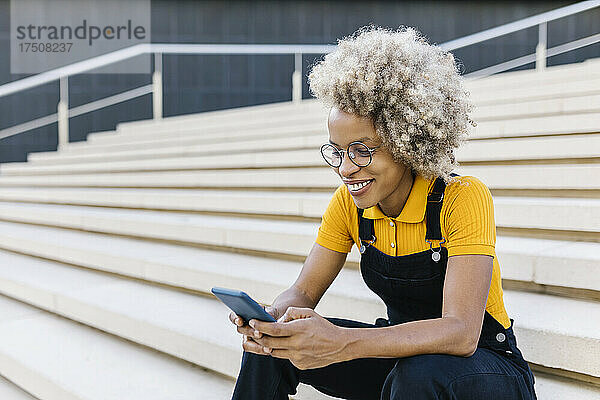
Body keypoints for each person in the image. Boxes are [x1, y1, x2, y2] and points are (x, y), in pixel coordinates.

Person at [228, 25, 537, 400]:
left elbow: (461, 332)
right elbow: (303, 291)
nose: (346, 168)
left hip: (484, 367)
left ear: (407, 141)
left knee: (418, 374)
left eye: (362, 150)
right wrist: (271, 321)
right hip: (403, 361)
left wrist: (342, 341)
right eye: (339, 151)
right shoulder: (349, 204)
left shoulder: (462, 197)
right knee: (276, 350)